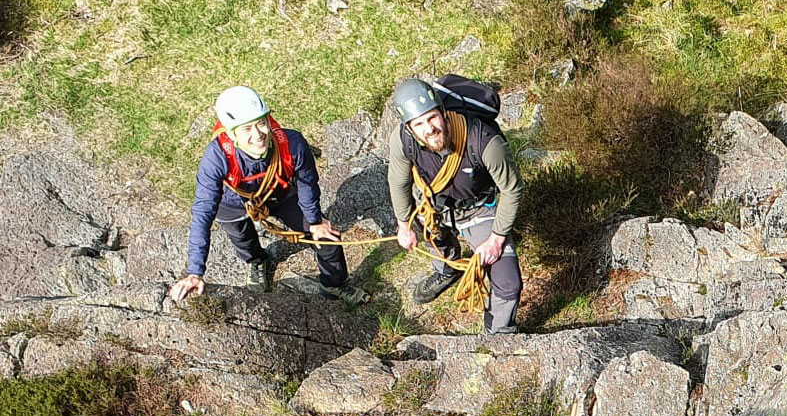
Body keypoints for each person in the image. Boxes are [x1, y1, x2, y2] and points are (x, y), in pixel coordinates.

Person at [169, 86, 365, 305]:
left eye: (261, 123)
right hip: (232, 203)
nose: (258, 135)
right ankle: (257, 261)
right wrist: (195, 271)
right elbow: (203, 214)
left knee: (327, 239)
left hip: (277, 191)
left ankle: (334, 285)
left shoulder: (292, 144)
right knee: (243, 241)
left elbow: (307, 185)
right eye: (246, 129)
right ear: (231, 133)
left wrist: (314, 220)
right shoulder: (217, 157)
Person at [386, 77, 525, 333]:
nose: (429, 129)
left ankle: (498, 332)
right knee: (437, 240)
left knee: (508, 283)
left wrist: (496, 238)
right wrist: (404, 224)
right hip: (435, 210)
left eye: (432, 118)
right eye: (419, 124)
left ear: (443, 112)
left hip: (481, 210)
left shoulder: (483, 141)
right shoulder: (402, 140)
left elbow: (512, 188)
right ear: (409, 127)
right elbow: (398, 180)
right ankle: (447, 269)